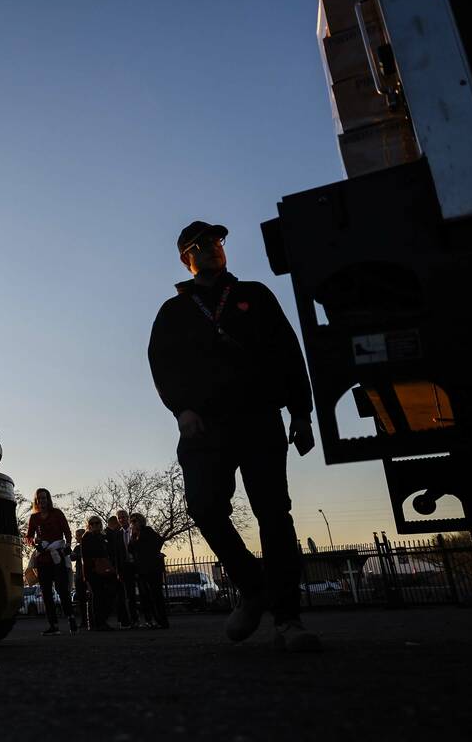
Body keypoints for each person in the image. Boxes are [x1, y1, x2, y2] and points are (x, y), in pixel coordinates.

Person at [147, 220, 321, 652]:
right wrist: (181, 409)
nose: (212, 249)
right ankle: (253, 586)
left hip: (260, 418)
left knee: (273, 513)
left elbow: (288, 352)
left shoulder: (255, 296)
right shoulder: (174, 311)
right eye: (201, 245)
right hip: (204, 425)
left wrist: (301, 413)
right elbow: (162, 365)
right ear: (187, 257)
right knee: (204, 507)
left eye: (217, 242)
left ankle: (288, 619)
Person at [25, 488, 78, 635]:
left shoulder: (57, 514)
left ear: (48, 499)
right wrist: (34, 541)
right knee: (46, 593)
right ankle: (53, 625)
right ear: (36, 501)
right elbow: (28, 537)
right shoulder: (34, 518)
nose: (42, 501)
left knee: (62, 590)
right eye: (39, 498)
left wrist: (67, 544)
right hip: (43, 559)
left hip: (57, 556)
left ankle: (71, 617)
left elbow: (67, 532)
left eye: (44, 498)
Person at [128, 513, 169, 629]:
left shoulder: (148, 531)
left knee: (156, 595)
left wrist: (153, 554)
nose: (133, 523)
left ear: (141, 521)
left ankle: (162, 621)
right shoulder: (134, 535)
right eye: (132, 521)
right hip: (142, 569)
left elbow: (159, 541)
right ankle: (155, 620)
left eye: (135, 521)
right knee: (147, 596)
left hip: (152, 568)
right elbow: (130, 549)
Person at [80, 515, 116, 631]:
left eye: (97, 523)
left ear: (100, 524)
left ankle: (101, 620)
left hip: (106, 570)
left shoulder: (104, 537)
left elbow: (109, 553)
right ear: (89, 525)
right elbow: (84, 558)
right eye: (92, 524)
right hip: (93, 571)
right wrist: (86, 576)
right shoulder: (86, 538)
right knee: (97, 597)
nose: (95, 525)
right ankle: (98, 623)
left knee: (109, 595)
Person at [105, 516, 135, 629]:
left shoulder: (108, 535)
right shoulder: (114, 535)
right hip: (117, 567)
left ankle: (123, 620)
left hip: (113, 567)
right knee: (122, 595)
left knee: (119, 596)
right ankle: (125, 620)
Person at [71, 527, 88, 630]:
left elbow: (78, 557)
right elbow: (72, 558)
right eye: (76, 536)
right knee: (81, 600)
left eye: (78, 535)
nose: (76, 538)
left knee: (88, 599)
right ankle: (84, 621)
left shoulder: (86, 546)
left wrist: (75, 555)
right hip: (79, 575)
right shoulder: (77, 548)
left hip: (86, 574)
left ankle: (90, 620)